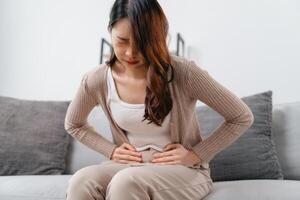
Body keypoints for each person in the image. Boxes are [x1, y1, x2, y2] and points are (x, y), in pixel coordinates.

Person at [64, 0, 254, 199]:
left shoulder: (184, 73)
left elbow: (241, 116)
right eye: (122, 40)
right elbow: (74, 124)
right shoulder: (97, 79)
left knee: (126, 182)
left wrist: (195, 155)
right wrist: (110, 151)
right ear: (110, 31)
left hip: (182, 171)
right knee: (81, 180)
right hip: (129, 166)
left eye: (142, 43)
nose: (130, 53)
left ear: (157, 37)